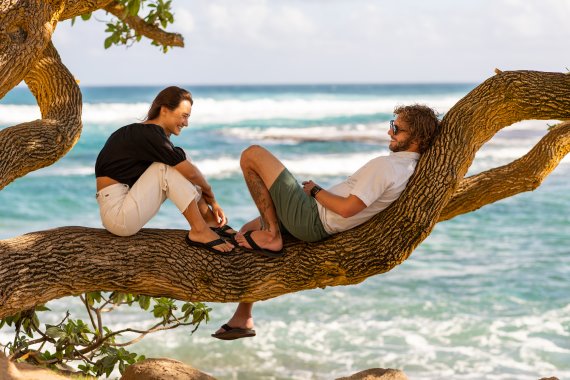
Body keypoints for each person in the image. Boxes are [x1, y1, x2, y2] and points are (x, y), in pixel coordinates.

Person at [211, 104, 439, 340]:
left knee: (252, 154)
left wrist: (315, 190)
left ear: (417, 137)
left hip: (312, 217)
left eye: (396, 128)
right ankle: (243, 316)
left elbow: (348, 209)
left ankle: (271, 235)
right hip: (317, 218)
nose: (390, 132)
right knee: (247, 230)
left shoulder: (387, 166)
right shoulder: (408, 168)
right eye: (392, 126)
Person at [95, 86, 235, 254]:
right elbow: (191, 173)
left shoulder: (149, 136)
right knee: (168, 167)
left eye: (188, 117)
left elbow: (188, 170)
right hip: (117, 215)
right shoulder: (149, 135)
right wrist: (212, 199)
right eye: (184, 116)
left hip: (124, 205)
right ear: (165, 110)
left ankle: (209, 221)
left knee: (181, 158)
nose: (186, 123)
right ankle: (199, 229)